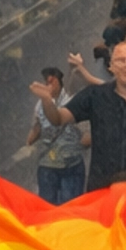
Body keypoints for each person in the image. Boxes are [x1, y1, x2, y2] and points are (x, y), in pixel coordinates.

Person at [46, 41, 126, 190]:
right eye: (121, 60)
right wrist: (47, 101)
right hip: (102, 191)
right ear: (111, 66)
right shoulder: (94, 96)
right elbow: (58, 118)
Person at [27, 67, 88, 203]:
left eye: (52, 82)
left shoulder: (72, 103)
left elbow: (85, 136)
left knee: (69, 207)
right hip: (47, 163)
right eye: (47, 83)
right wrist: (30, 140)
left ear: (59, 82)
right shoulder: (39, 105)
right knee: (47, 207)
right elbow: (37, 126)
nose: (49, 86)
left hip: (70, 164)